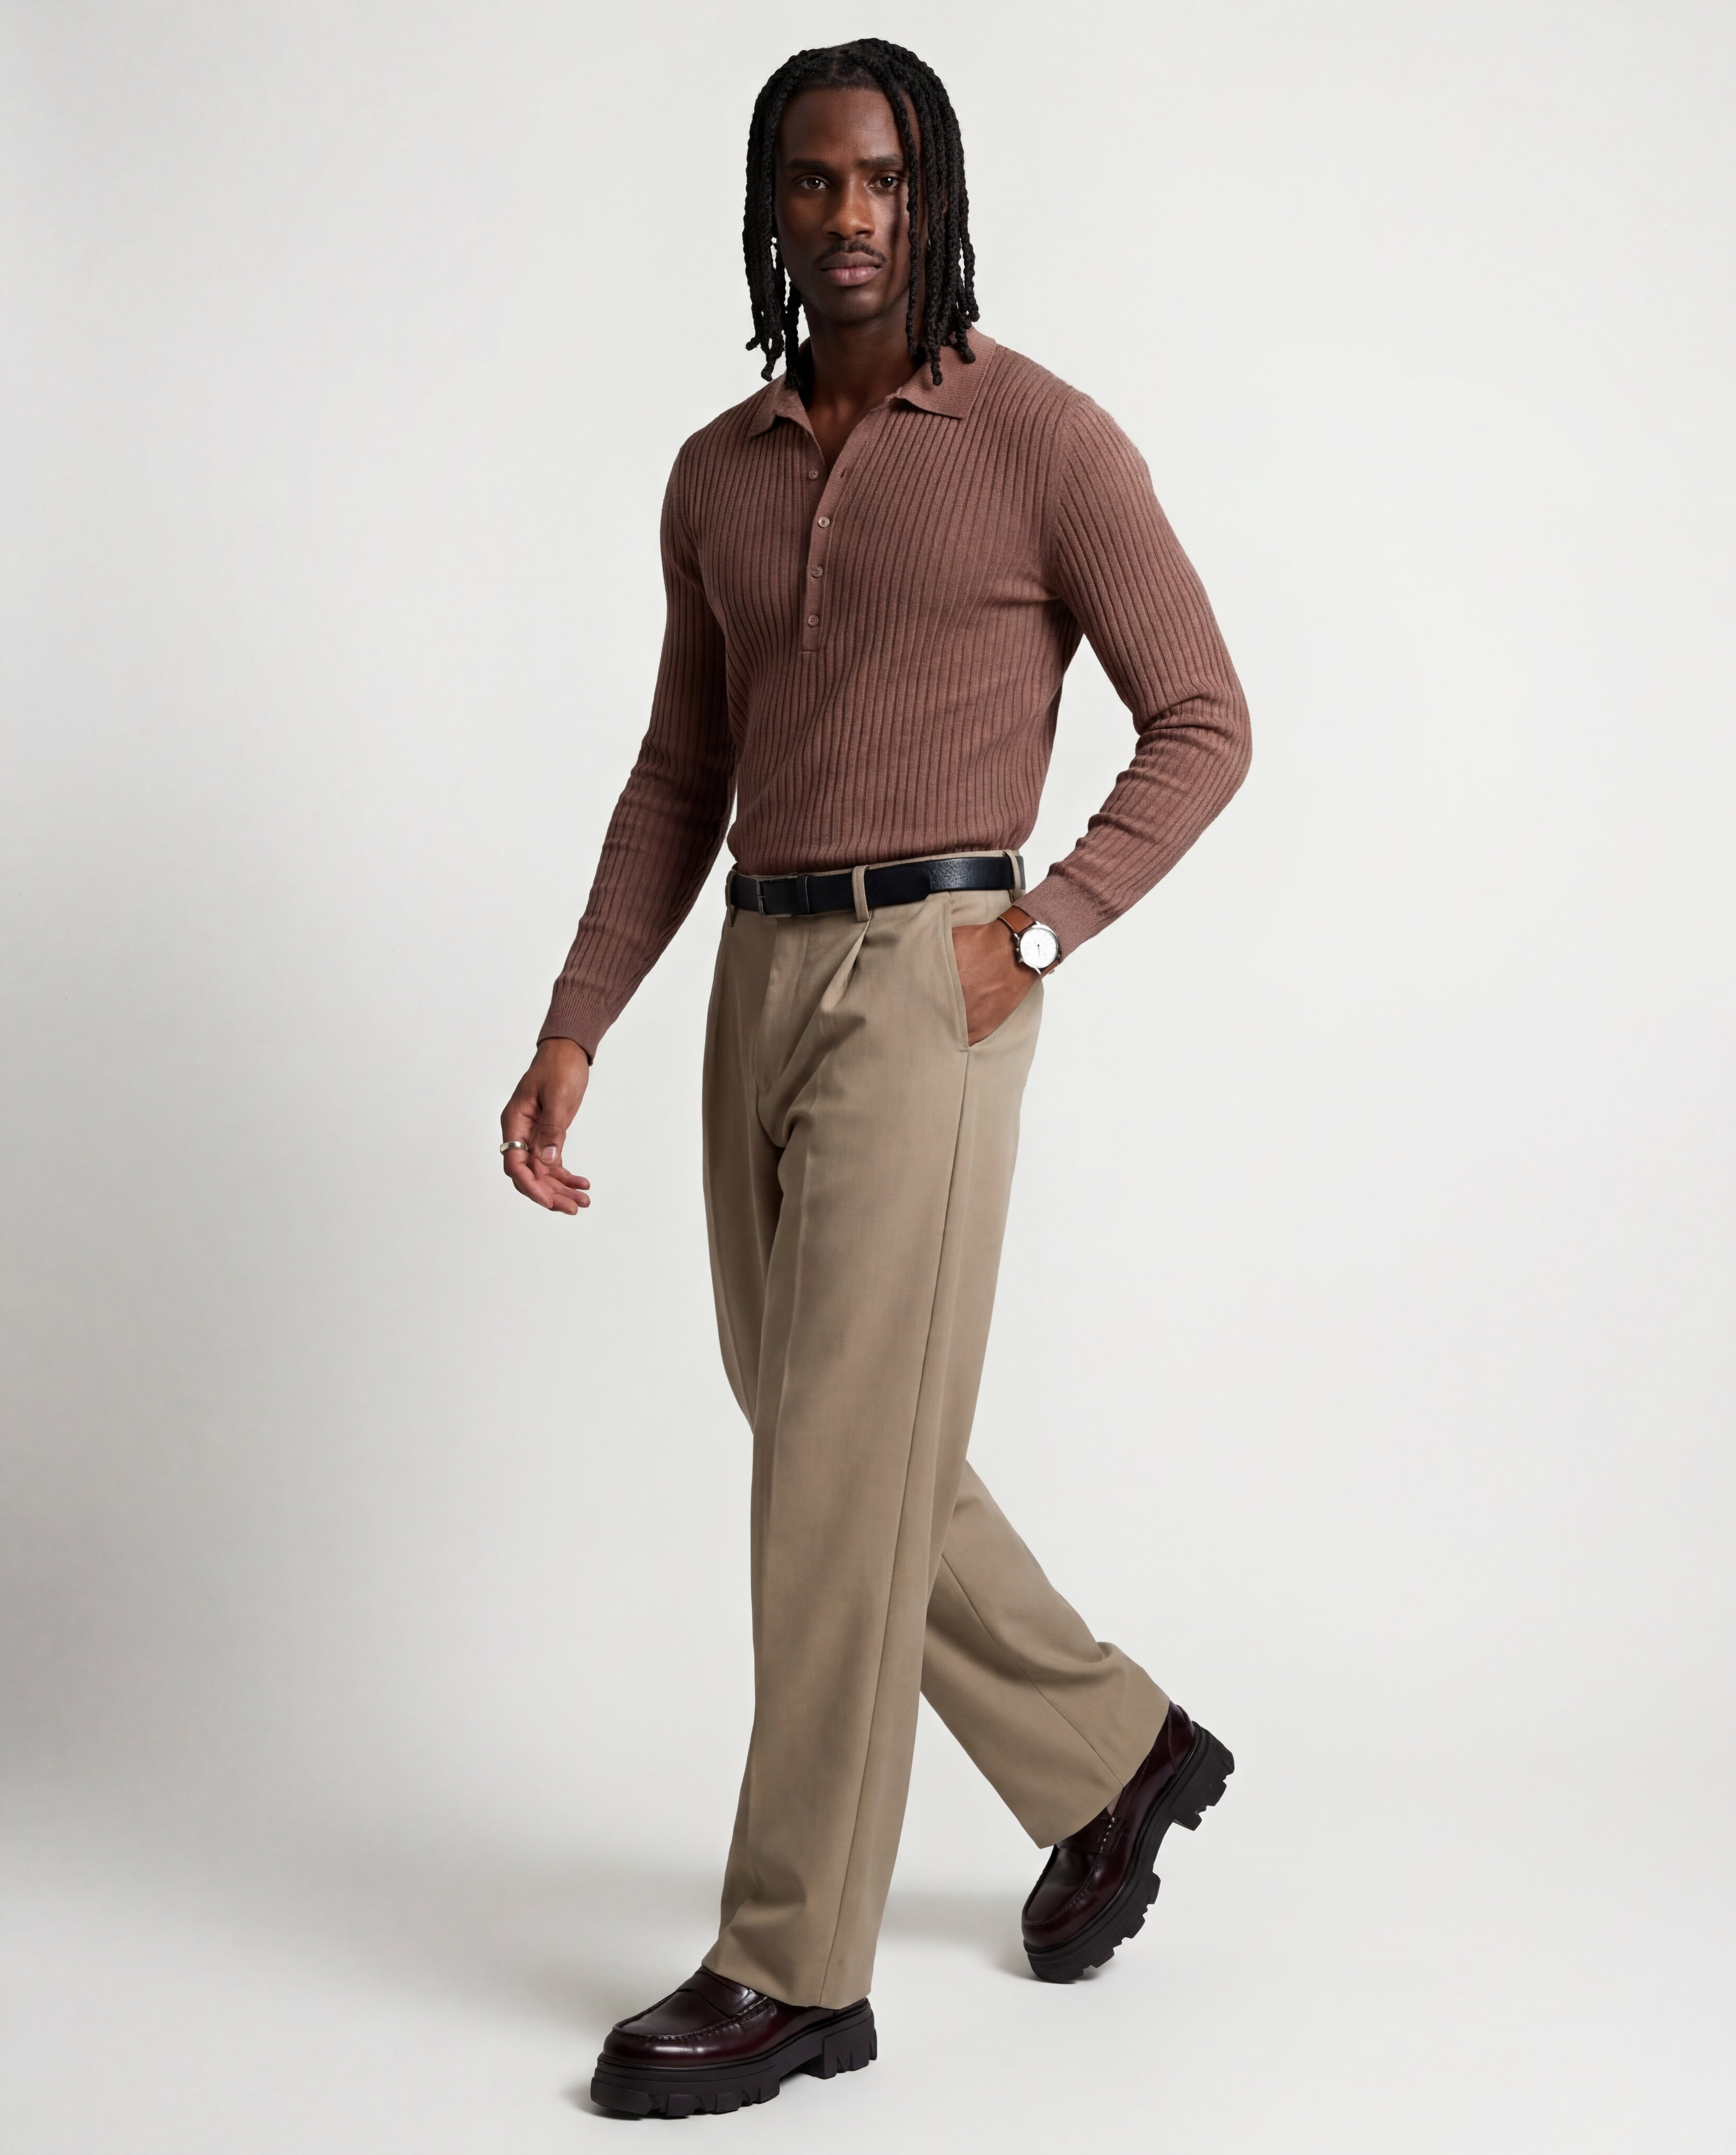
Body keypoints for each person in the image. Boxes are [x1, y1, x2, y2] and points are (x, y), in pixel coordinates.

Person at [499, 37, 1249, 2119]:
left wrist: (1039, 930)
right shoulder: (717, 473)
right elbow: (681, 773)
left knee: (832, 1471)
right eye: (815, 181)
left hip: (935, 979)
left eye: (885, 180)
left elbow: (1202, 716)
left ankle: (793, 1963)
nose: (849, 216)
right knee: (827, 1426)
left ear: (938, 200)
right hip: (754, 967)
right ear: (770, 206)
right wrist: (576, 1021)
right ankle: (1110, 1755)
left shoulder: (1041, 440)